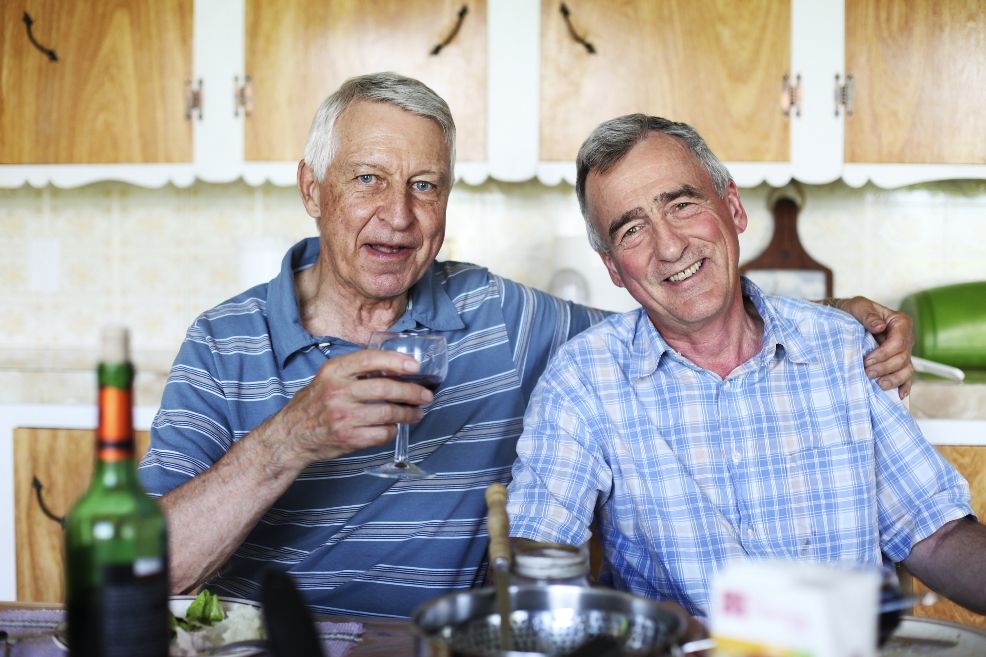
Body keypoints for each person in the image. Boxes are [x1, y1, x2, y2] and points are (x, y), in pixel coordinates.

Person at [138, 73, 915, 619]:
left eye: (425, 185)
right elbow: (133, 578)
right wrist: (292, 436)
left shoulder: (502, 321)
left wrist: (832, 322)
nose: (399, 217)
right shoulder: (224, 340)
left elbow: (681, 308)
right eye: (369, 179)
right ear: (313, 189)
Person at [505, 113, 986, 620]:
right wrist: (634, 630)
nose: (669, 247)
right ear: (612, 269)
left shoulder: (843, 346)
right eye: (631, 230)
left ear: (733, 208)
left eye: (682, 205)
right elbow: (537, 553)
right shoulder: (584, 379)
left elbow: (934, 533)